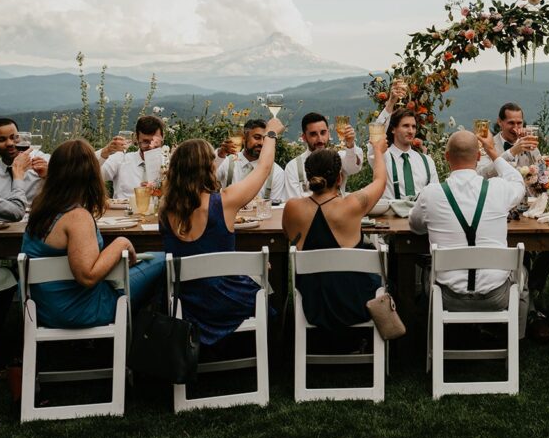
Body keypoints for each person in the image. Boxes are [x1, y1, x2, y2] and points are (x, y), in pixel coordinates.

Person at [159, 117, 284, 347]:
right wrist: (271, 135)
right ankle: (272, 348)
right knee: (265, 279)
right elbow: (264, 168)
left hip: (187, 304)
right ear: (208, 167)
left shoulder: (164, 209)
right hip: (229, 300)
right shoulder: (224, 202)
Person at [20, 139, 165, 328]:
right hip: (80, 310)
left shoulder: (42, 206)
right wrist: (121, 242)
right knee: (164, 259)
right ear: (90, 175)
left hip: (43, 308)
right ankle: (158, 335)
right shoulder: (76, 217)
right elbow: (87, 276)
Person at [409, 130, 529, 336]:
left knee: (427, 268)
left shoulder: (431, 194)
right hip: (497, 296)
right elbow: (517, 181)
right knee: (523, 271)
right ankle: (515, 339)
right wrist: (493, 151)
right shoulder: (499, 189)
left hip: (447, 296)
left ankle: (429, 339)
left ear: (447, 157)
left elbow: (415, 226)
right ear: (478, 157)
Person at [282, 140, 387, 335]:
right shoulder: (352, 205)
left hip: (312, 304)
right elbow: (380, 181)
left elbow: (288, 236)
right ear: (339, 178)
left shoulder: (292, 208)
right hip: (355, 303)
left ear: (308, 176)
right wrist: (379, 152)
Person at [477, 103, 549, 342]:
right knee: (520, 253)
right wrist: (511, 152)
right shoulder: (487, 143)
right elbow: (481, 174)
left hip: (529, 211)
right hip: (497, 214)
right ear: (500, 123)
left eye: (519, 123)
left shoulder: (530, 145)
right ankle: (527, 310)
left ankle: (532, 291)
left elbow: (540, 175)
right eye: (511, 123)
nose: (516, 128)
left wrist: (544, 173)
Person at [282, 112, 363, 201]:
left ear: (329, 133)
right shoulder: (293, 167)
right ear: (304, 137)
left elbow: (353, 168)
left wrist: (350, 145)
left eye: (323, 133)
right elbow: (294, 203)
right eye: (313, 134)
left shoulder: (338, 158)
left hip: (338, 213)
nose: (320, 139)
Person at [368, 107, 438, 200]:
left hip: (421, 213)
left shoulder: (427, 161)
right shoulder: (382, 156)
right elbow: (375, 138)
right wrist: (390, 104)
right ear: (393, 129)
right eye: (406, 126)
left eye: (413, 127)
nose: (411, 131)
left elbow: (435, 194)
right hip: (389, 214)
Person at [215, 118, 285, 204]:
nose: (262, 143)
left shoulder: (277, 172)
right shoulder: (227, 162)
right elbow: (205, 179)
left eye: (265, 139)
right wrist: (220, 155)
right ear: (244, 138)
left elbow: (275, 207)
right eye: (257, 137)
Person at [97, 115, 167, 199]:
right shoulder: (121, 159)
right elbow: (90, 174)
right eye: (145, 142)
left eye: (156, 141)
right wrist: (105, 152)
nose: (151, 146)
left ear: (162, 138)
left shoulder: (168, 164)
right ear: (136, 139)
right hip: (122, 211)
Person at [0, 117, 48, 202]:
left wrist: (48, 176)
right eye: (2, 140)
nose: (10, 143)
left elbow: (65, 195)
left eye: (14, 137)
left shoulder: (44, 160)